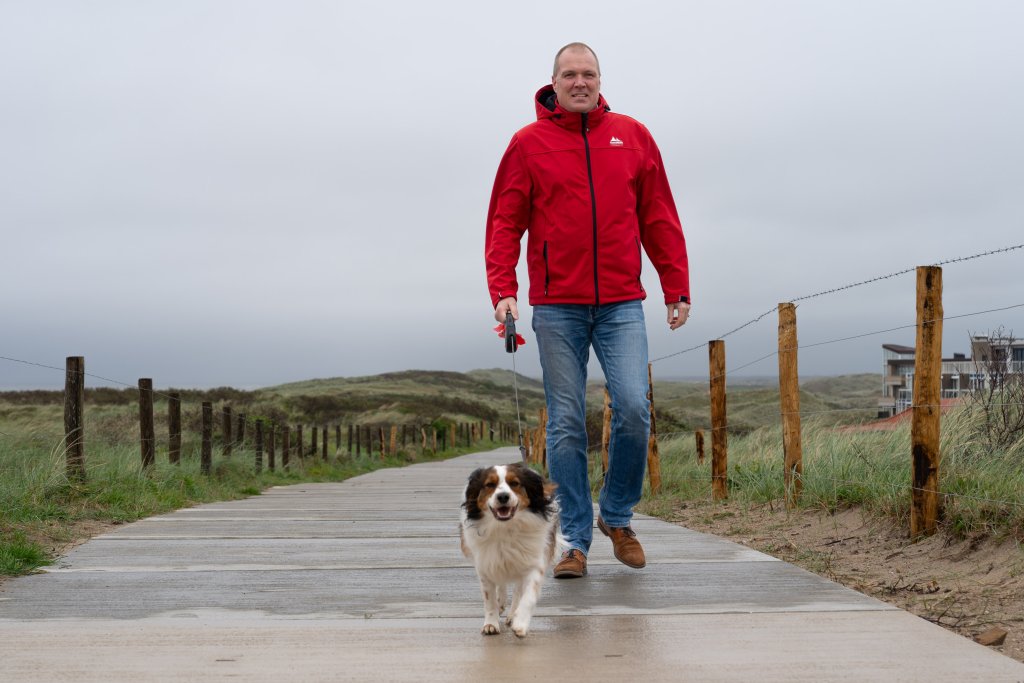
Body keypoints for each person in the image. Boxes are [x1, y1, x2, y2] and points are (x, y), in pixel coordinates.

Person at [485, 42, 690, 578]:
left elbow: (659, 214)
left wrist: (676, 285)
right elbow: (505, 221)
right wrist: (502, 288)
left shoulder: (633, 136)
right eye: (570, 74)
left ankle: (617, 516)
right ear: (553, 82)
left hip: (622, 300)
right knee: (568, 424)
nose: (580, 82)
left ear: (600, 80)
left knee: (633, 407)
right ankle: (575, 538)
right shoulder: (527, 144)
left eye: (589, 74)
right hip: (557, 305)